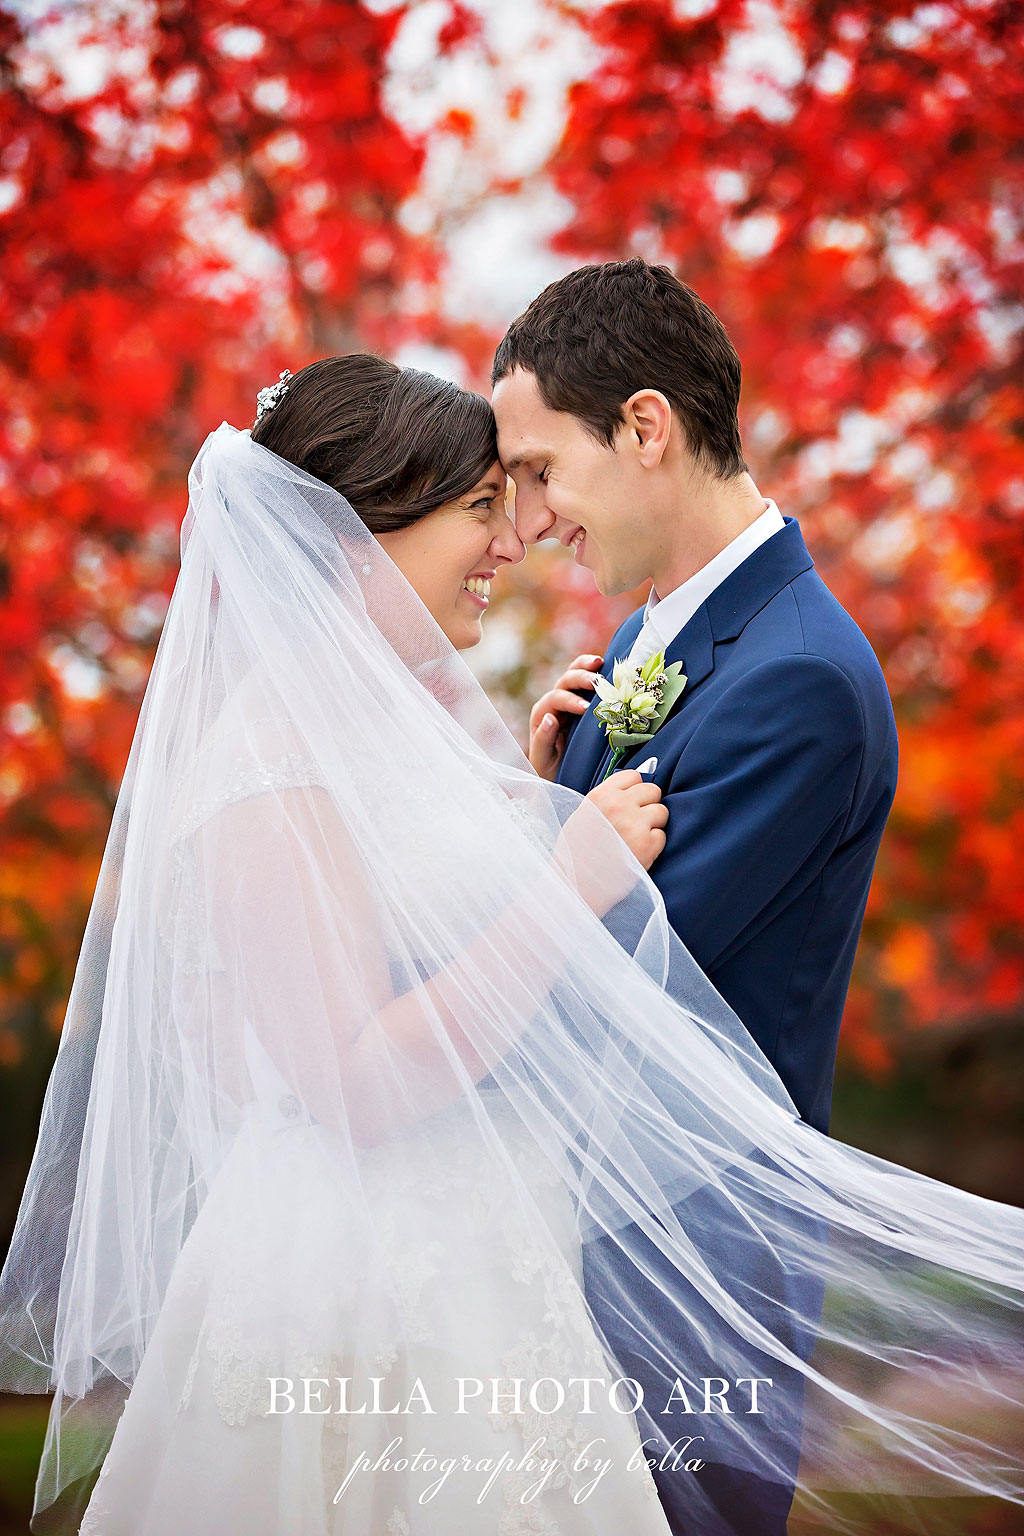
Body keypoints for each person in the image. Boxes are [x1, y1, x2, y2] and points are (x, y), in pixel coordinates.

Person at [0, 357, 1022, 1536]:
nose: (514, 539)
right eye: (481, 506)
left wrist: (531, 816)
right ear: (351, 535)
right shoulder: (263, 763)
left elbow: (419, 939)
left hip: (487, 1265)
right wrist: (563, 889)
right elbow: (356, 1083)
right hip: (363, 1294)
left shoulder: (400, 732)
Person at [492, 258, 899, 1534]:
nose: (533, 515)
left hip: (692, 1267)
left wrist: (532, 885)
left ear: (646, 429)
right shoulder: (644, 645)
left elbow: (619, 995)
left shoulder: (798, 682)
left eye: (543, 470)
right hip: (582, 1236)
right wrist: (538, 804)